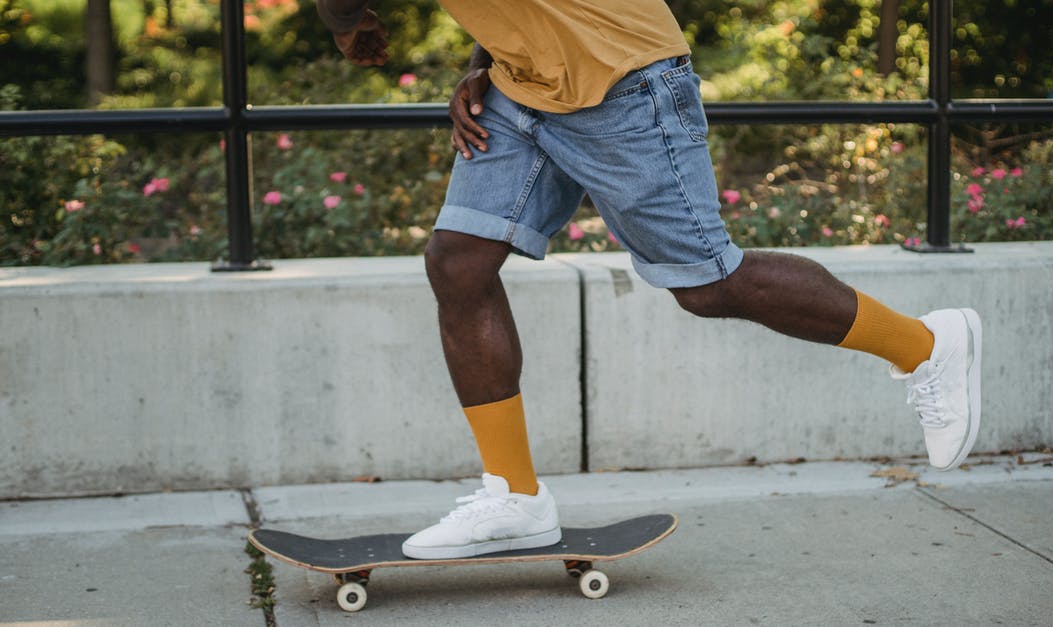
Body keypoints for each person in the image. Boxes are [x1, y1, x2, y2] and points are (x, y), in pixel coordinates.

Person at [315, 0, 983, 560]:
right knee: (458, 260)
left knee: (708, 283)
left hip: (624, 82)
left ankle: (925, 345)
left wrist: (343, 16)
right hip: (521, 88)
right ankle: (514, 496)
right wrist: (483, 62)